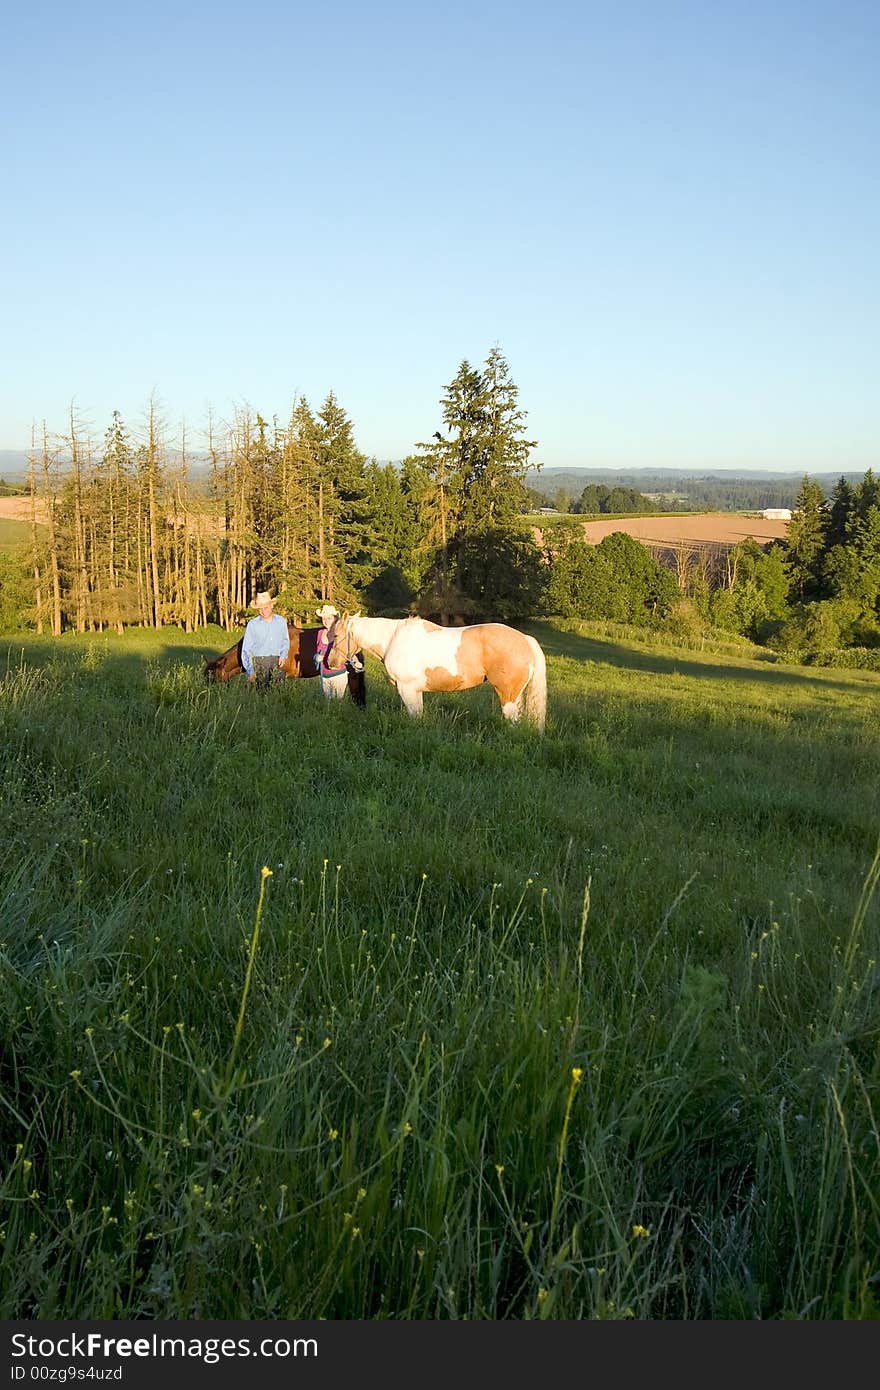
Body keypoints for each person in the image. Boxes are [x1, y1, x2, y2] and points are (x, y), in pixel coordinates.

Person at [241, 591, 290, 687]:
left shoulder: (281, 621)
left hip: (277, 662)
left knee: (279, 693)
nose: (263, 611)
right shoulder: (253, 624)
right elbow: (246, 649)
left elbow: (285, 641)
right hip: (260, 662)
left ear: (271, 606)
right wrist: (250, 670)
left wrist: (283, 655)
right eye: (260, 609)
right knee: (262, 694)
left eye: (266, 608)